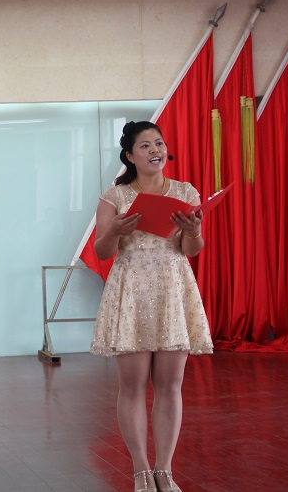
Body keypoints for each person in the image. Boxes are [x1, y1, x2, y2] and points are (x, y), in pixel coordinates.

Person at [90, 121, 213, 492]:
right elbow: (102, 251)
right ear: (130, 156)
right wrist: (115, 231)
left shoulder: (185, 191)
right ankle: (141, 470)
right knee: (132, 387)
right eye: (144, 146)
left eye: (158, 143)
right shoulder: (115, 195)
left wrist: (193, 231)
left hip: (172, 290)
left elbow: (191, 249)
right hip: (131, 291)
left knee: (170, 386)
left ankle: (165, 470)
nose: (154, 150)